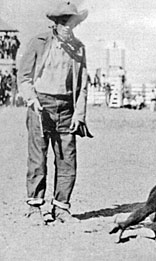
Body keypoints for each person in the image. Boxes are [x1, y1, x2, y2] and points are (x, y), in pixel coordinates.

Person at [18, 1, 92, 225]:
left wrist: (79, 114)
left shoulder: (78, 48)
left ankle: (61, 208)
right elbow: (24, 77)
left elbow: (83, 85)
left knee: (67, 159)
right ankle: (34, 207)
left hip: (67, 108)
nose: (68, 27)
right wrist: (31, 98)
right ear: (56, 23)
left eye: (71, 23)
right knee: (38, 158)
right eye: (64, 22)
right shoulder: (39, 43)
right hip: (41, 106)